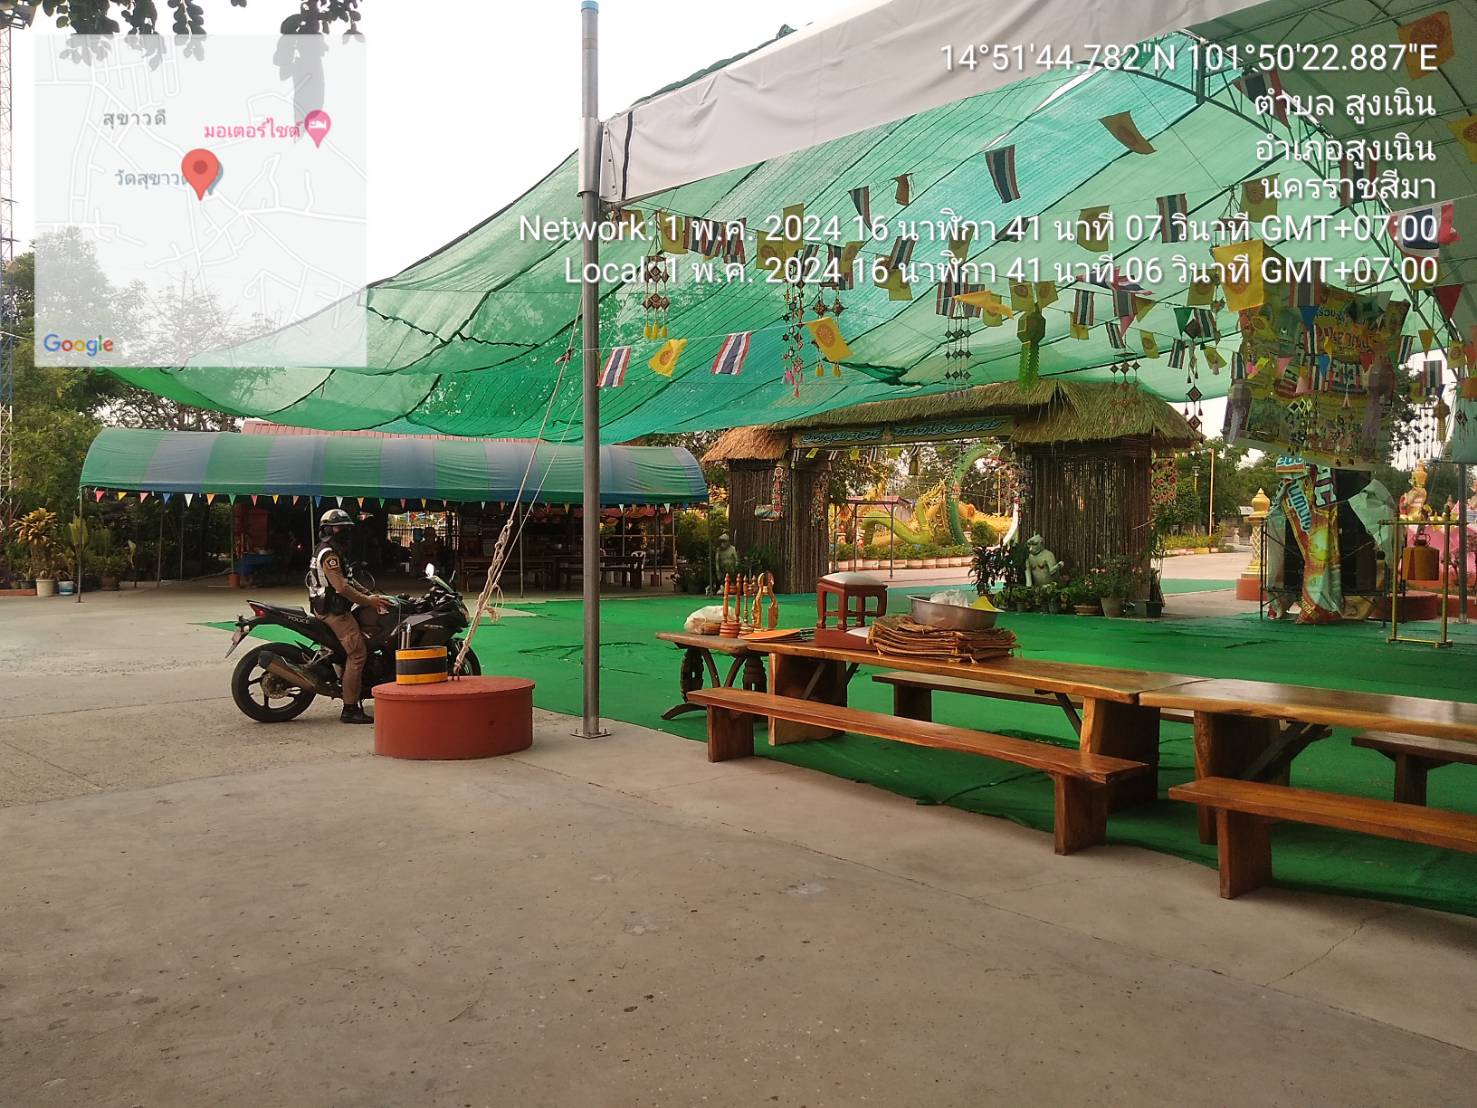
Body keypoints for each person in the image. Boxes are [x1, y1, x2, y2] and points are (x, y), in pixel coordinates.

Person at [306, 508, 392, 724]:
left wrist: (370, 595)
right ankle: (350, 708)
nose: (343, 531)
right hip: (333, 611)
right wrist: (368, 602)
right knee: (358, 654)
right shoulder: (329, 554)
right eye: (338, 528)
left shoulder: (332, 550)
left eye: (346, 528)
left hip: (329, 606)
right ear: (327, 530)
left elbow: (349, 581)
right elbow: (341, 587)